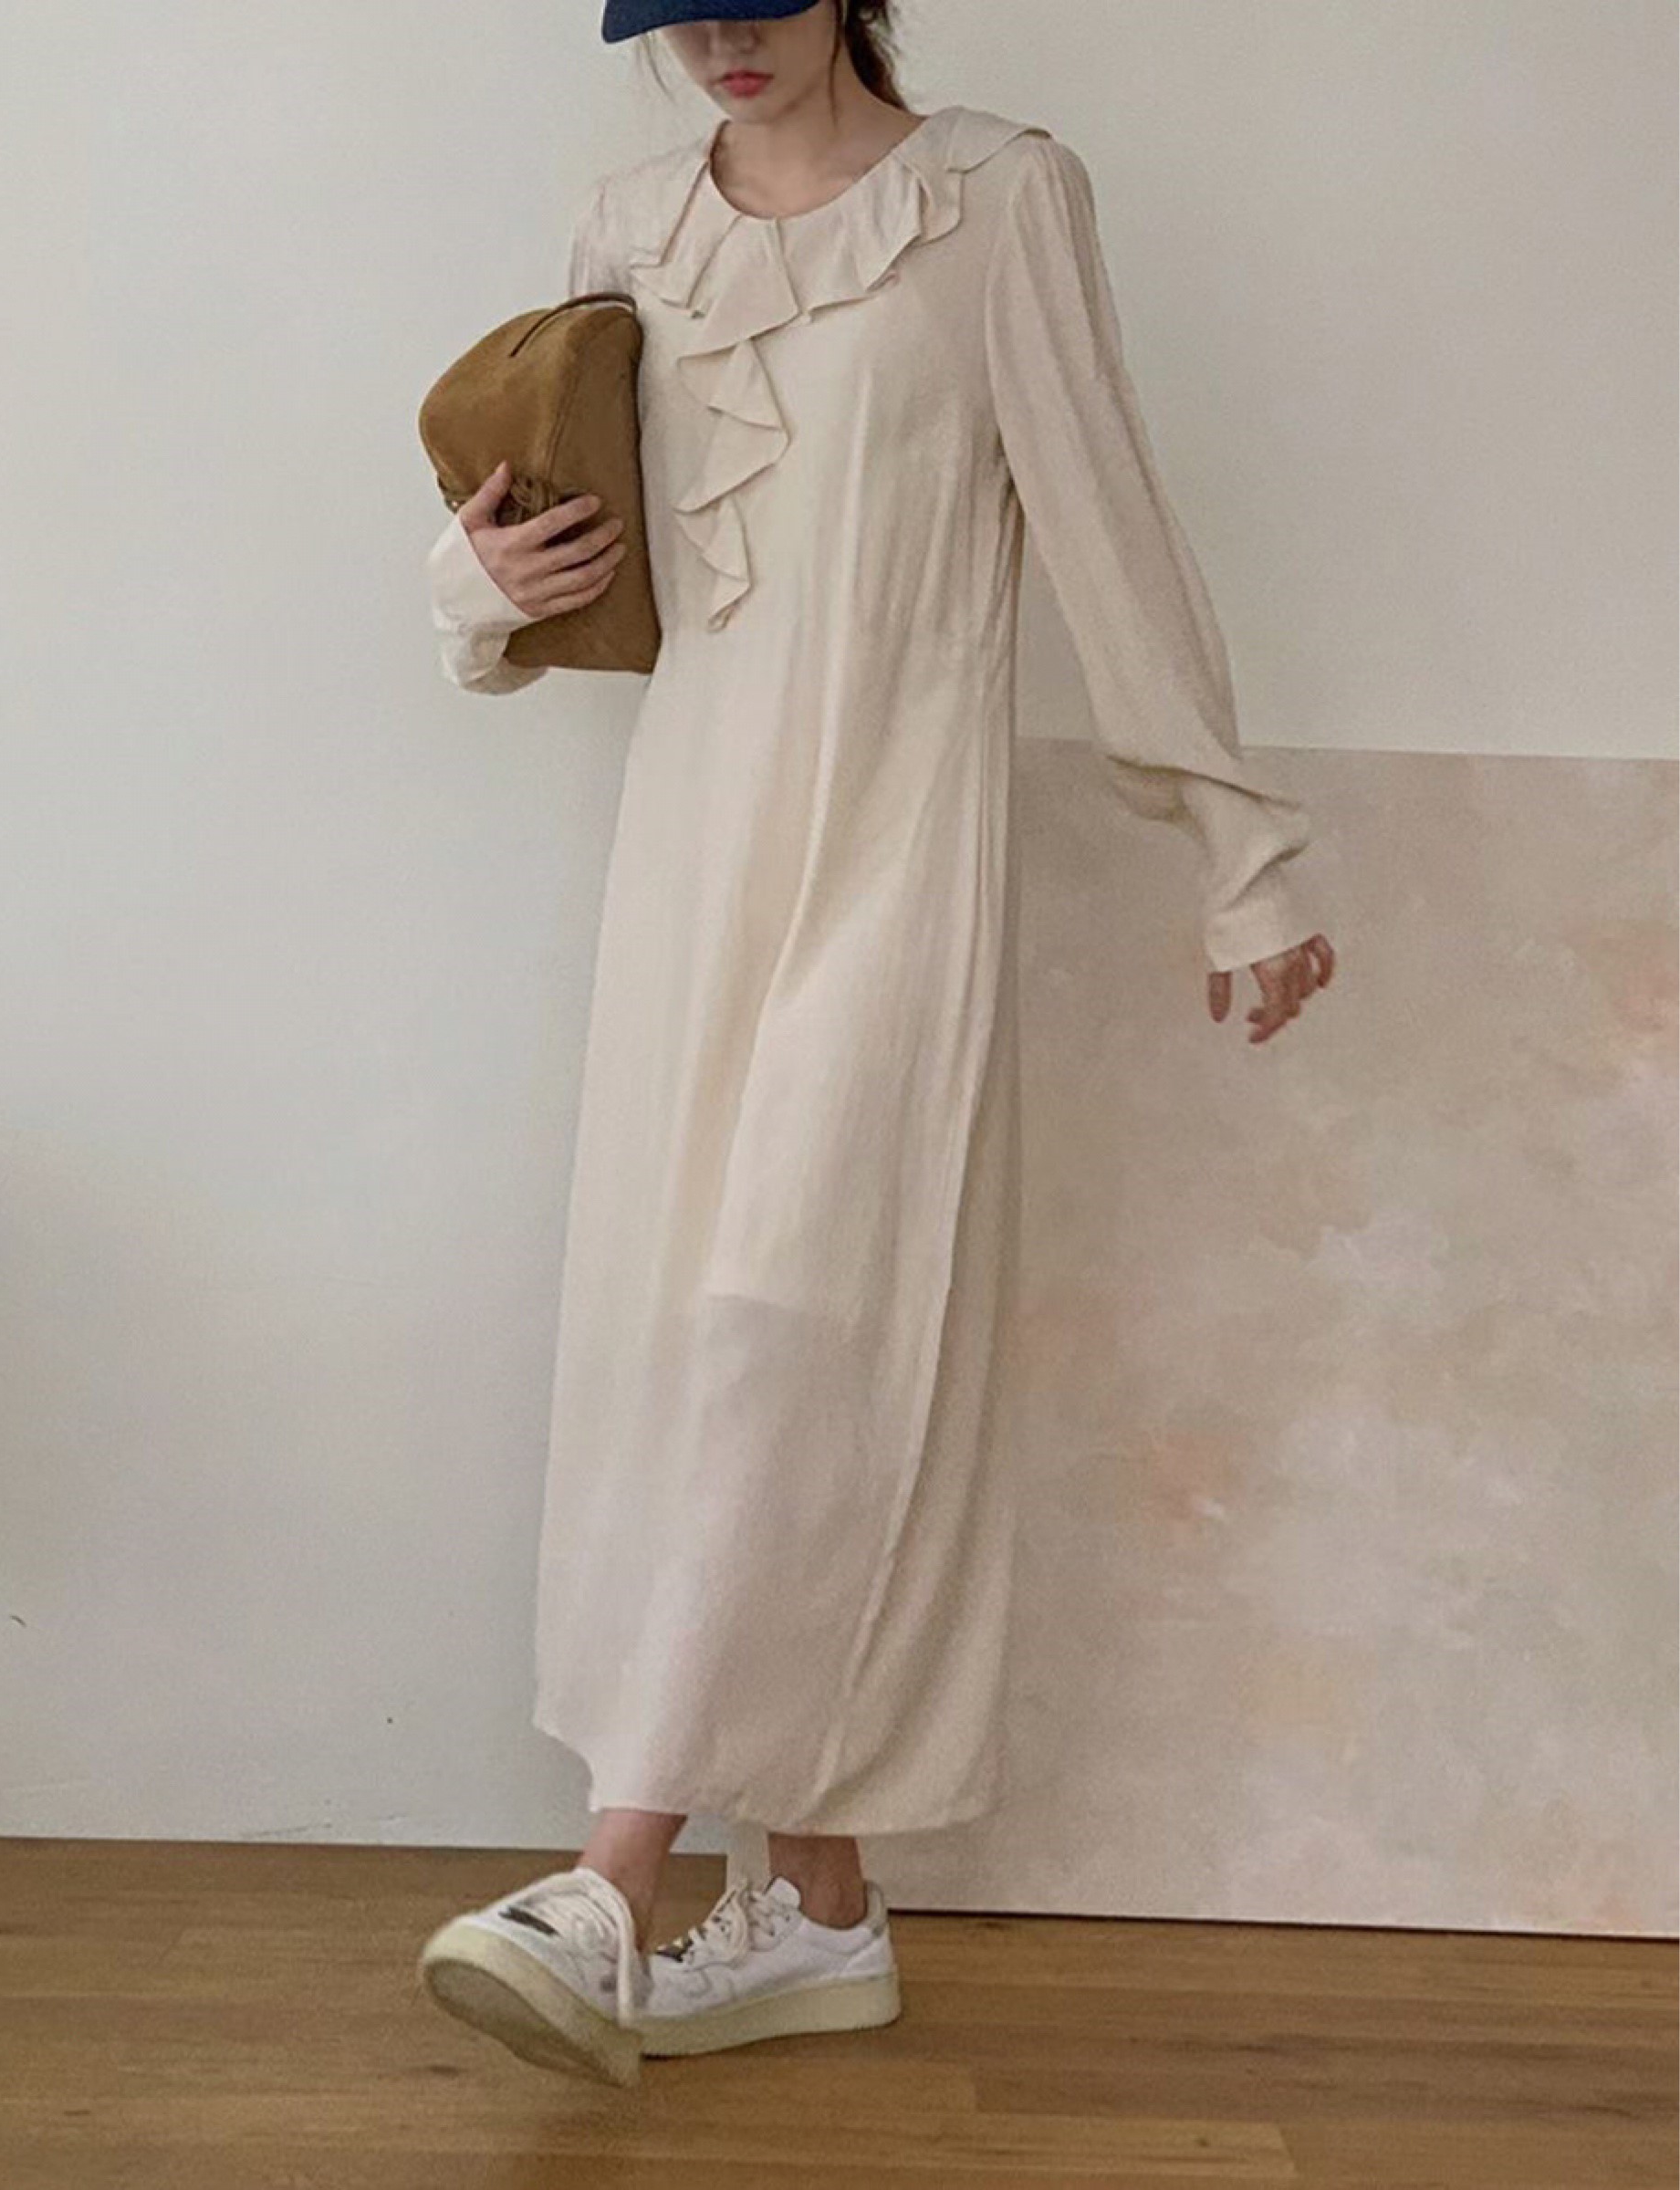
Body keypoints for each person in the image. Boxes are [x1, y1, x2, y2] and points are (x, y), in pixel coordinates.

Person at [416, 0, 1338, 2087]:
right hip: (693, 854)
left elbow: (1110, 527)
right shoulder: (627, 227)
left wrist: (1241, 851)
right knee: (702, 1342)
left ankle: (612, 1877)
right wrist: (470, 580)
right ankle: (821, 1912)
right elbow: (563, 568)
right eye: (677, 9)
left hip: (903, 839)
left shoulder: (997, 201)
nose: (718, 41)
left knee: (782, 1322)